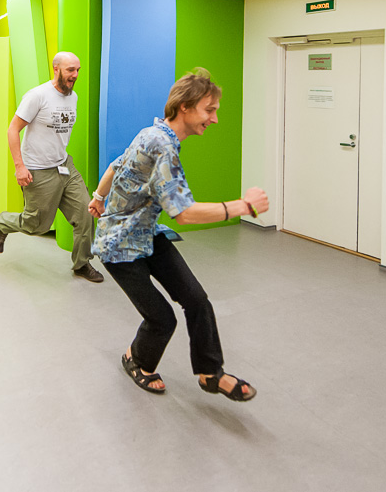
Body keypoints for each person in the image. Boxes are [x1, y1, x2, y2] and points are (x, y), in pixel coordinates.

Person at [87, 68, 269, 401]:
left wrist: (99, 197)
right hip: (119, 245)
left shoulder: (152, 133)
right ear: (184, 106)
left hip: (146, 232)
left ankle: (210, 373)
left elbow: (116, 165)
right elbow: (183, 213)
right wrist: (243, 206)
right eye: (209, 110)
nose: (214, 119)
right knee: (161, 319)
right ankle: (136, 360)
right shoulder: (163, 147)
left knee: (196, 300)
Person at [0, 52, 102, 283]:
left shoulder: (73, 97)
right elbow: (13, 130)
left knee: (86, 213)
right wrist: (19, 167)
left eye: (78, 70)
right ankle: (3, 223)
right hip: (38, 170)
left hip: (64, 166)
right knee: (36, 226)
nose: (75, 75)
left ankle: (82, 263)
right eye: (70, 70)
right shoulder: (37, 96)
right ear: (56, 69)